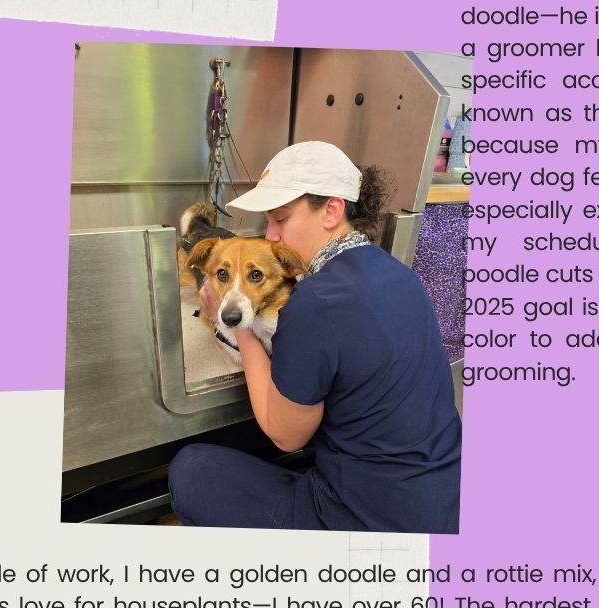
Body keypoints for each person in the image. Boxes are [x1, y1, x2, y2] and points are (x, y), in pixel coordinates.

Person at [168, 142, 462, 533]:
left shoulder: (316, 302)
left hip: (363, 525)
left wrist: (241, 328)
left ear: (331, 210)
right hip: (441, 504)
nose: (271, 237)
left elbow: (284, 434)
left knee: (190, 470)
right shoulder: (399, 274)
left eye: (280, 220)